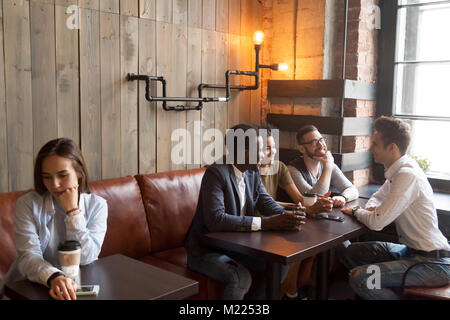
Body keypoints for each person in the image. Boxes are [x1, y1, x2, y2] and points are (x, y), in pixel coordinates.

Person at [184, 124, 306, 300]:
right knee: (241, 278)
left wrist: (291, 214)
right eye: (260, 150)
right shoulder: (216, 173)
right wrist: (265, 223)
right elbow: (216, 220)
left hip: (238, 247)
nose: (264, 155)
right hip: (207, 251)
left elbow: (267, 203)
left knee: (280, 264)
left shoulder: (251, 172)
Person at [339, 116, 450, 300]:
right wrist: (372, 208)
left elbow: (376, 223)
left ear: (392, 148)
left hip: (433, 263)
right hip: (411, 252)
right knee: (352, 251)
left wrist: (357, 211)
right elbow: (377, 197)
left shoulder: (406, 174)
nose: (370, 148)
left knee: (361, 278)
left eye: (375, 143)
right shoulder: (400, 170)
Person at [0, 138, 108, 300]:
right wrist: (54, 277)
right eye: (47, 177)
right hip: (29, 285)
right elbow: (28, 255)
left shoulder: (98, 205)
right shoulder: (27, 204)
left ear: (79, 173)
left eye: (62, 175)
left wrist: (73, 212)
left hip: (75, 286)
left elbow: (87, 258)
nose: (55, 184)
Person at [257, 124, 333, 300]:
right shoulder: (252, 170)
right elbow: (265, 202)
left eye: (274, 147)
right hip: (261, 221)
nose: (273, 153)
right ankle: (291, 294)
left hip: (276, 218)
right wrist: (308, 208)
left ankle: (292, 292)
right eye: (267, 149)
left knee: (307, 244)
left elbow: (299, 199)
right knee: (296, 246)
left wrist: (315, 205)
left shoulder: (280, 167)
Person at [288, 125, 359, 207]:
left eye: (321, 140)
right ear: (301, 149)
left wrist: (343, 197)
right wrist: (328, 168)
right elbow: (314, 200)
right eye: (314, 142)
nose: (321, 145)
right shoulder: (292, 170)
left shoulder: (327, 164)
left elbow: (352, 190)